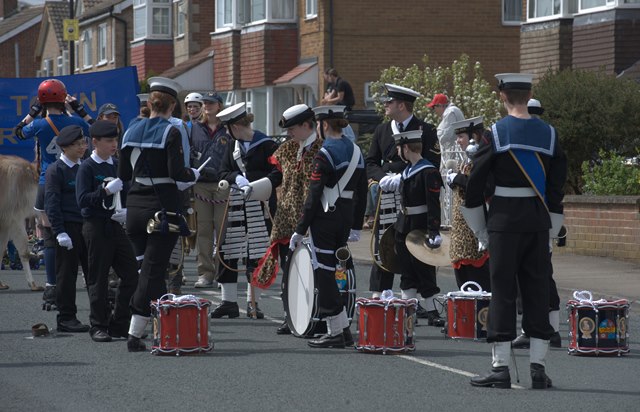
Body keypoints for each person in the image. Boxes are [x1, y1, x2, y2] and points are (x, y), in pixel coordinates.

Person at [463, 73, 567, 389]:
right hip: (537, 223)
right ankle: (538, 369)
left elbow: (474, 187)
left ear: (502, 97)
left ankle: (500, 369)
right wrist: (552, 229)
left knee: (503, 293)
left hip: (504, 224)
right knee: (536, 291)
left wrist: (480, 230)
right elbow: (556, 188)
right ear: (529, 94)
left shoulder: (494, 134)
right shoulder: (549, 134)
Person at [118, 77, 200, 352]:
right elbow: (178, 174)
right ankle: (133, 333)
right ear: (173, 105)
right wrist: (195, 174)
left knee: (148, 270)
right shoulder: (171, 132)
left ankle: (158, 328)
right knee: (152, 273)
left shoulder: (130, 128)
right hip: (162, 208)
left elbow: (123, 174)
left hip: (134, 207)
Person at [289, 105, 367, 348]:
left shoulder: (325, 153)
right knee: (335, 271)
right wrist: (356, 225)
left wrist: (300, 229)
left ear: (323, 125)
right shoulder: (356, 151)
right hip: (345, 219)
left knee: (324, 274)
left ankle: (335, 332)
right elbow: (362, 191)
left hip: (325, 219)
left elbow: (314, 196)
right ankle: (343, 330)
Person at [365, 83, 441, 321]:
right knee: (384, 246)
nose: (385, 105)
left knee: (418, 253)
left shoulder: (426, 130)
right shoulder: (381, 130)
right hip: (386, 195)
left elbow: (432, 165)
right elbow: (371, 162)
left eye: (389, 102)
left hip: (414, 198)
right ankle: (380, 296)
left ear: (401, 105)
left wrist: (405, 177)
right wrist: (383, 178)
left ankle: (420, 300)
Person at [15, 79, 92, 303]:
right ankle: (89, 282)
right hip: (74, 178)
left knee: (49, 236)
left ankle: (51, 285)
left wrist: (34, 111)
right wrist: (79, 108)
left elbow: (19, 132)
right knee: (78, 230)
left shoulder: (39, 124)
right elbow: (96, 127)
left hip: (47, 179)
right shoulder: (76, 122)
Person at [253, 104, 323, 334]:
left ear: (306, 125)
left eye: (292, 128)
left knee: (315, 270)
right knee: (289, 267)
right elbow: (276, 176)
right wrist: (253, 187)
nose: (289, 133)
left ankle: (316, 317)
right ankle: (290, 316)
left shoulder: (323, 149)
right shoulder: (286, 149)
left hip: (314, 218)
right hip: (286, 217)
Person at [214, 102, 281, 319]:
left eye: (227, 127)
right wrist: (236, 178)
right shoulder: (231, 146)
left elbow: (278, 173)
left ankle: (254, 303)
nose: (226, 132)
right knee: (226, 250)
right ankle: (229, 302)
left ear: (235, 126)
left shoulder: (266, 144)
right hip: (235, 205)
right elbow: (223, 172)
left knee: (257, 253)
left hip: (260, 206)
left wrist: (258, 184)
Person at [76, 120, 139, 343]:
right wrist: (104, 191)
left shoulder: (118, 164)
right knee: (98, 278)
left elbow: (130, 191)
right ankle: (98, 325)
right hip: (96, 226)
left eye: (115, 140)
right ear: (95, 142)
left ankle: (119, 323)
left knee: (131, 274)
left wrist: (128, 210)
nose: (114, 144)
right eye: (109, 140)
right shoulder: (87, 167)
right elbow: (82, 200)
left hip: (115, 225)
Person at [511, 98, 562, 349]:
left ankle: (548, 329)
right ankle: (535, 328)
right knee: (532, 277)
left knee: (539, 276)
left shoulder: (542, 143)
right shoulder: (542, 142)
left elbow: (554, 185)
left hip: (536, 217)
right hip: (537, 217)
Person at [379, 129, 444, 319]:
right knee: (407, 268)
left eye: (399, 148)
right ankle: (409, 308)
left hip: (420, 225)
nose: (398, 152)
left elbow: (433, 204)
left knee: (424, 268)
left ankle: (432, 310)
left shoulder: (428, 171)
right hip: (404, 225)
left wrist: (433, 229)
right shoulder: (407, 171)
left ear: (406, 148)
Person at [44, 125, 91, 333]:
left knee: (94, 272)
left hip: (89, 225)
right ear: (65, 147)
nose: (83, 147)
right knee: (67, 274)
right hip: (68, 226)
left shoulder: (86, 166)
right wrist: (59, 230)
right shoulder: (56, 170)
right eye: (77, 144)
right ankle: (66, 317)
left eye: (83, 143)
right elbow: (52, 203)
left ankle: (100, 313)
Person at [444, 117, 491, 291]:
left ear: (474, 136)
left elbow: (480, 185)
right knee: (464, 286)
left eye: (461, 136)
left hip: (475, 233)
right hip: (461, 234)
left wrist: (459, 179)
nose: (458, 141)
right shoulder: (467, 160)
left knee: (480, 285)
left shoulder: (482, 159)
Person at [190, 92, 230, 288]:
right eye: (205, 102)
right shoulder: (194, 128)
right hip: (202, 184)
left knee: (222, 230)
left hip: (223, 183)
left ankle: (222, 271)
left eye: (211, 103)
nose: (207, 105)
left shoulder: (228, 127)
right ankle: (205, 272)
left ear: (219, 105)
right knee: (204, 230)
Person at [426, 93, 465, 163]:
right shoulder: (453, 110)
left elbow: (444, 137)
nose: (434, 111)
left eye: (433, 107)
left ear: (440, 105)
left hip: (456, 155)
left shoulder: (450, 112)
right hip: (458, 152)